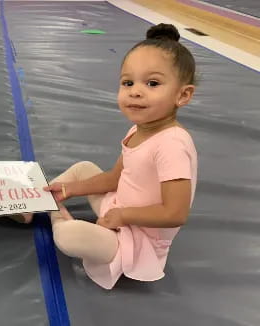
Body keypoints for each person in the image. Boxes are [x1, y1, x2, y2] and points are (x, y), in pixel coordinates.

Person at [23, 23, 198, 289]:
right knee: (83, 168)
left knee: (70, 237)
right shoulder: (138, 129)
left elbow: (175, 213)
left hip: (140, 237)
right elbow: (115, 178)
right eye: (128, 82)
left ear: (182, 95)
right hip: (119, 205)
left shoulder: (172, 144)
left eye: (152, 83)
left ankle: (53, 212)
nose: (135, 91)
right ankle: (42, 200)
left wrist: (123, 216)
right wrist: (70, 189)